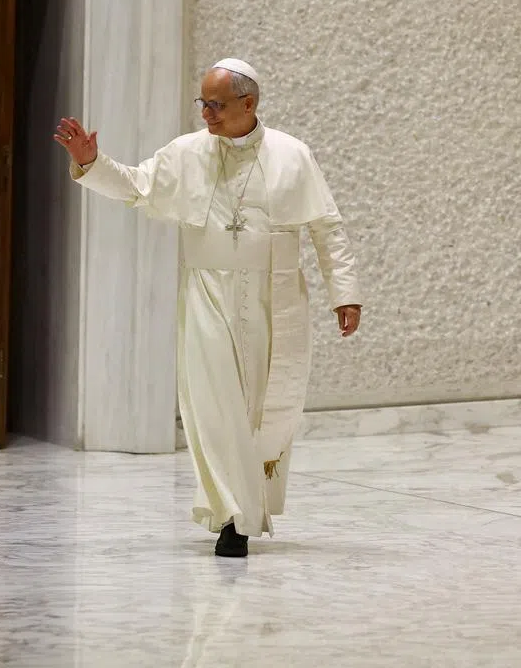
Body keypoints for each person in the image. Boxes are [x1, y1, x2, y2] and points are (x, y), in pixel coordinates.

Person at [55, 58, 363, 558]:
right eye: (202, 103)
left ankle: (244, 507)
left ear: (249, 103)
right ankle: (232, 518)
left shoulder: (292, 154)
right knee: (215, 406)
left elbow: (326, 227)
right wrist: (91, 161)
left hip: (273, 295)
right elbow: (137, 187)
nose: (206, 114)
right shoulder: (187, 152)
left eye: (216, 105)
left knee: (260, 410)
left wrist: (344, 292)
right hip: (208, 295)